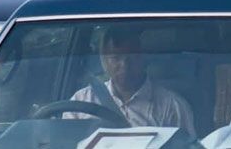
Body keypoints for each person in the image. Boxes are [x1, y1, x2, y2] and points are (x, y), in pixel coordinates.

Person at [66, 27, 195, 133]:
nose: (124, 65)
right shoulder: (81, 102)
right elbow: (64, 143)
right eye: (116, 58)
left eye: (132, 58)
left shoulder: (172, 106)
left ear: (144, 59)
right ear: (105, 61)